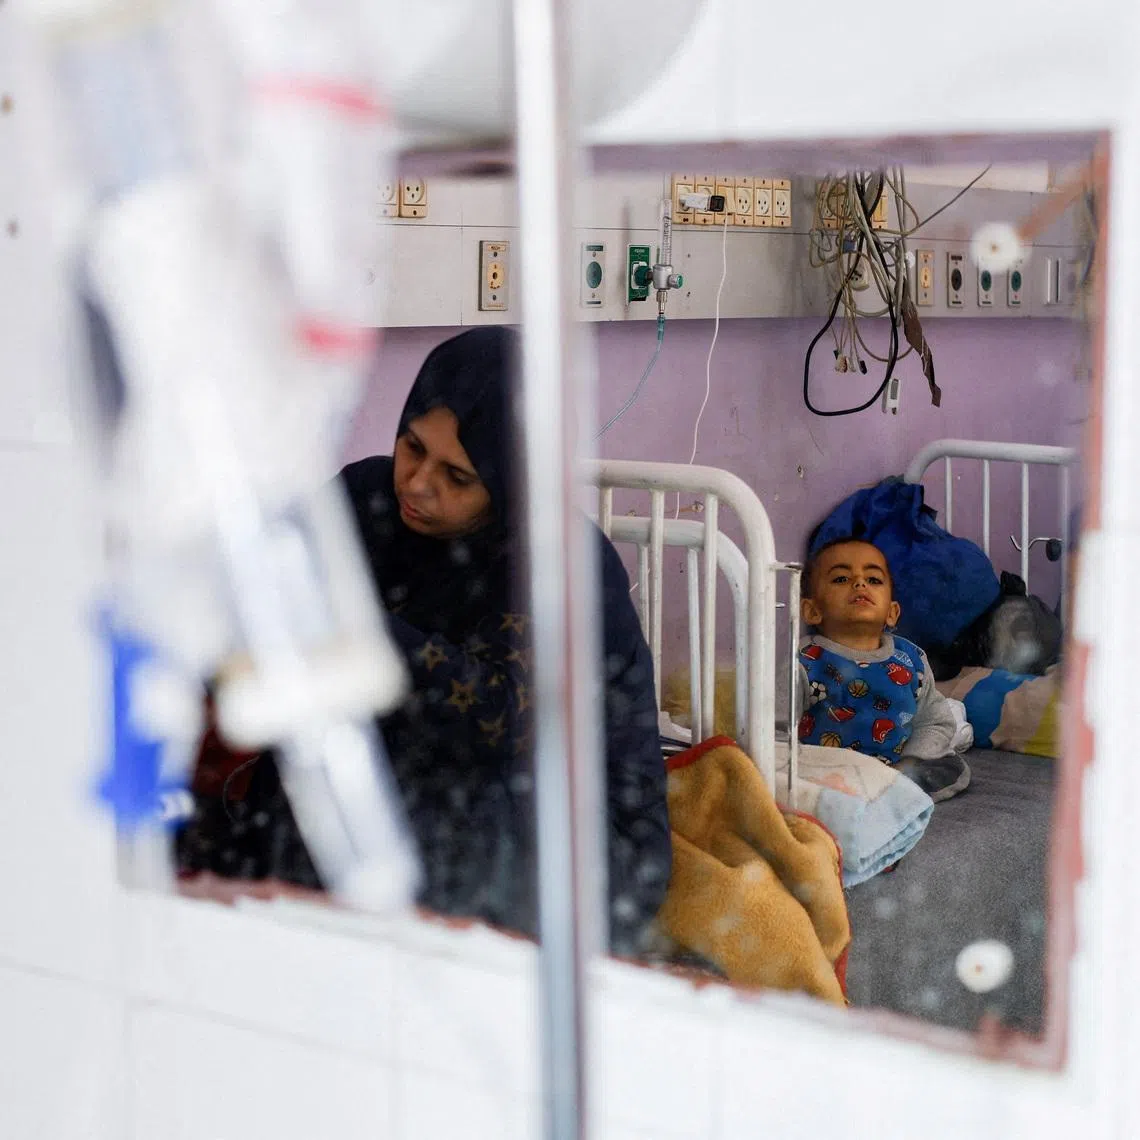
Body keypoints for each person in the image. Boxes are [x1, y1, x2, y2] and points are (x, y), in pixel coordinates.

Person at [177, 327, 671, 955]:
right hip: (414, 778)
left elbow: (502, 724)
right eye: (412, 446)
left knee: (385, 810)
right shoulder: (364, 499)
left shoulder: (561, 567)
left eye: (458, 476)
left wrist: (353, 628)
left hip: (571, 829)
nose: (416, 483)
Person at [795, 538, 970, 802]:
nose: (859, 583)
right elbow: (775, 731)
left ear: (892, 612)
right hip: (826, 774)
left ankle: (897, 789)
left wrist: (909, 763)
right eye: (841, 579)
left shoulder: (911, 659)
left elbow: (934, 722)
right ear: (812, 610)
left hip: (897, 771)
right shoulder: (804, 661)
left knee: (950, 767)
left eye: (874, 580)